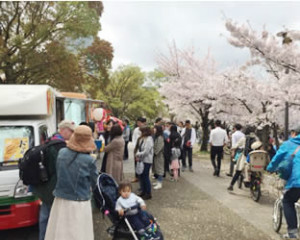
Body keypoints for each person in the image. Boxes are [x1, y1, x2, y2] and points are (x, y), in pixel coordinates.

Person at [45, 125, 98, 240]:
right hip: (79, 199)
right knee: (78, 231)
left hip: (61, 198)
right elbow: (94, 182)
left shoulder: (62, 152)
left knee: (60, 230)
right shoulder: (90, 160)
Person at [32, 120, 75, 240]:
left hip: (43, 185)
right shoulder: (59, 147)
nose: (72, 134)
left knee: (45, 214)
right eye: (71, 131)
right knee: (49, 216)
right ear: (64, 130)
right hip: (52, 187)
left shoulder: (50, 140)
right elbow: (61, 170)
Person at [267, 128, 300, 239]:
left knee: (288, 201)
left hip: (297, 180)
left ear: (294, 133)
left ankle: (292, 233)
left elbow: (277, 159)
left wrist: (270, 168)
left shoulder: (289, 144)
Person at [227, 126, 258, 191]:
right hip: (255, 158)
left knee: (238, 171)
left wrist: (232, 149)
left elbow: (236, 145)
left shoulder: (244, 138)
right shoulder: (256, 139)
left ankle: (231, 185)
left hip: (245, 157)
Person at [135, 126, 154, 200]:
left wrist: (138, 154)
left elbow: (146, 152)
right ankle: (143, 191)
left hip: (147, 160)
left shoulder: (149, 139)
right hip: (141, 159)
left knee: (145, 176)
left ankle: (148, 193)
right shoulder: (142, 139)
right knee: (141, 176)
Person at [132, 117, 147, 183]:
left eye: (139, 123)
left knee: (143, 163)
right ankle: (137, 177)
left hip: (143, 149)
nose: (138, 124)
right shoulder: (136, 130)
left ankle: (142, 177)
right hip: (136, 148)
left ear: (144, 123)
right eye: (137, 123)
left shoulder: (146, 130)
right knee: (136, 163)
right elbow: (134, 139)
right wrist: (135, 148)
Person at [152, 125, 165, 190]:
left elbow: (158, 148)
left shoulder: (160, 138)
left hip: (159, 156)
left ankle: (160, 183)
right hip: (156, 156)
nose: (153, 129)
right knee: (156, 169)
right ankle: (157, 181)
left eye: (155, 128)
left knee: (159, 169)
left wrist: (154, 152)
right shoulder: (156, 137)